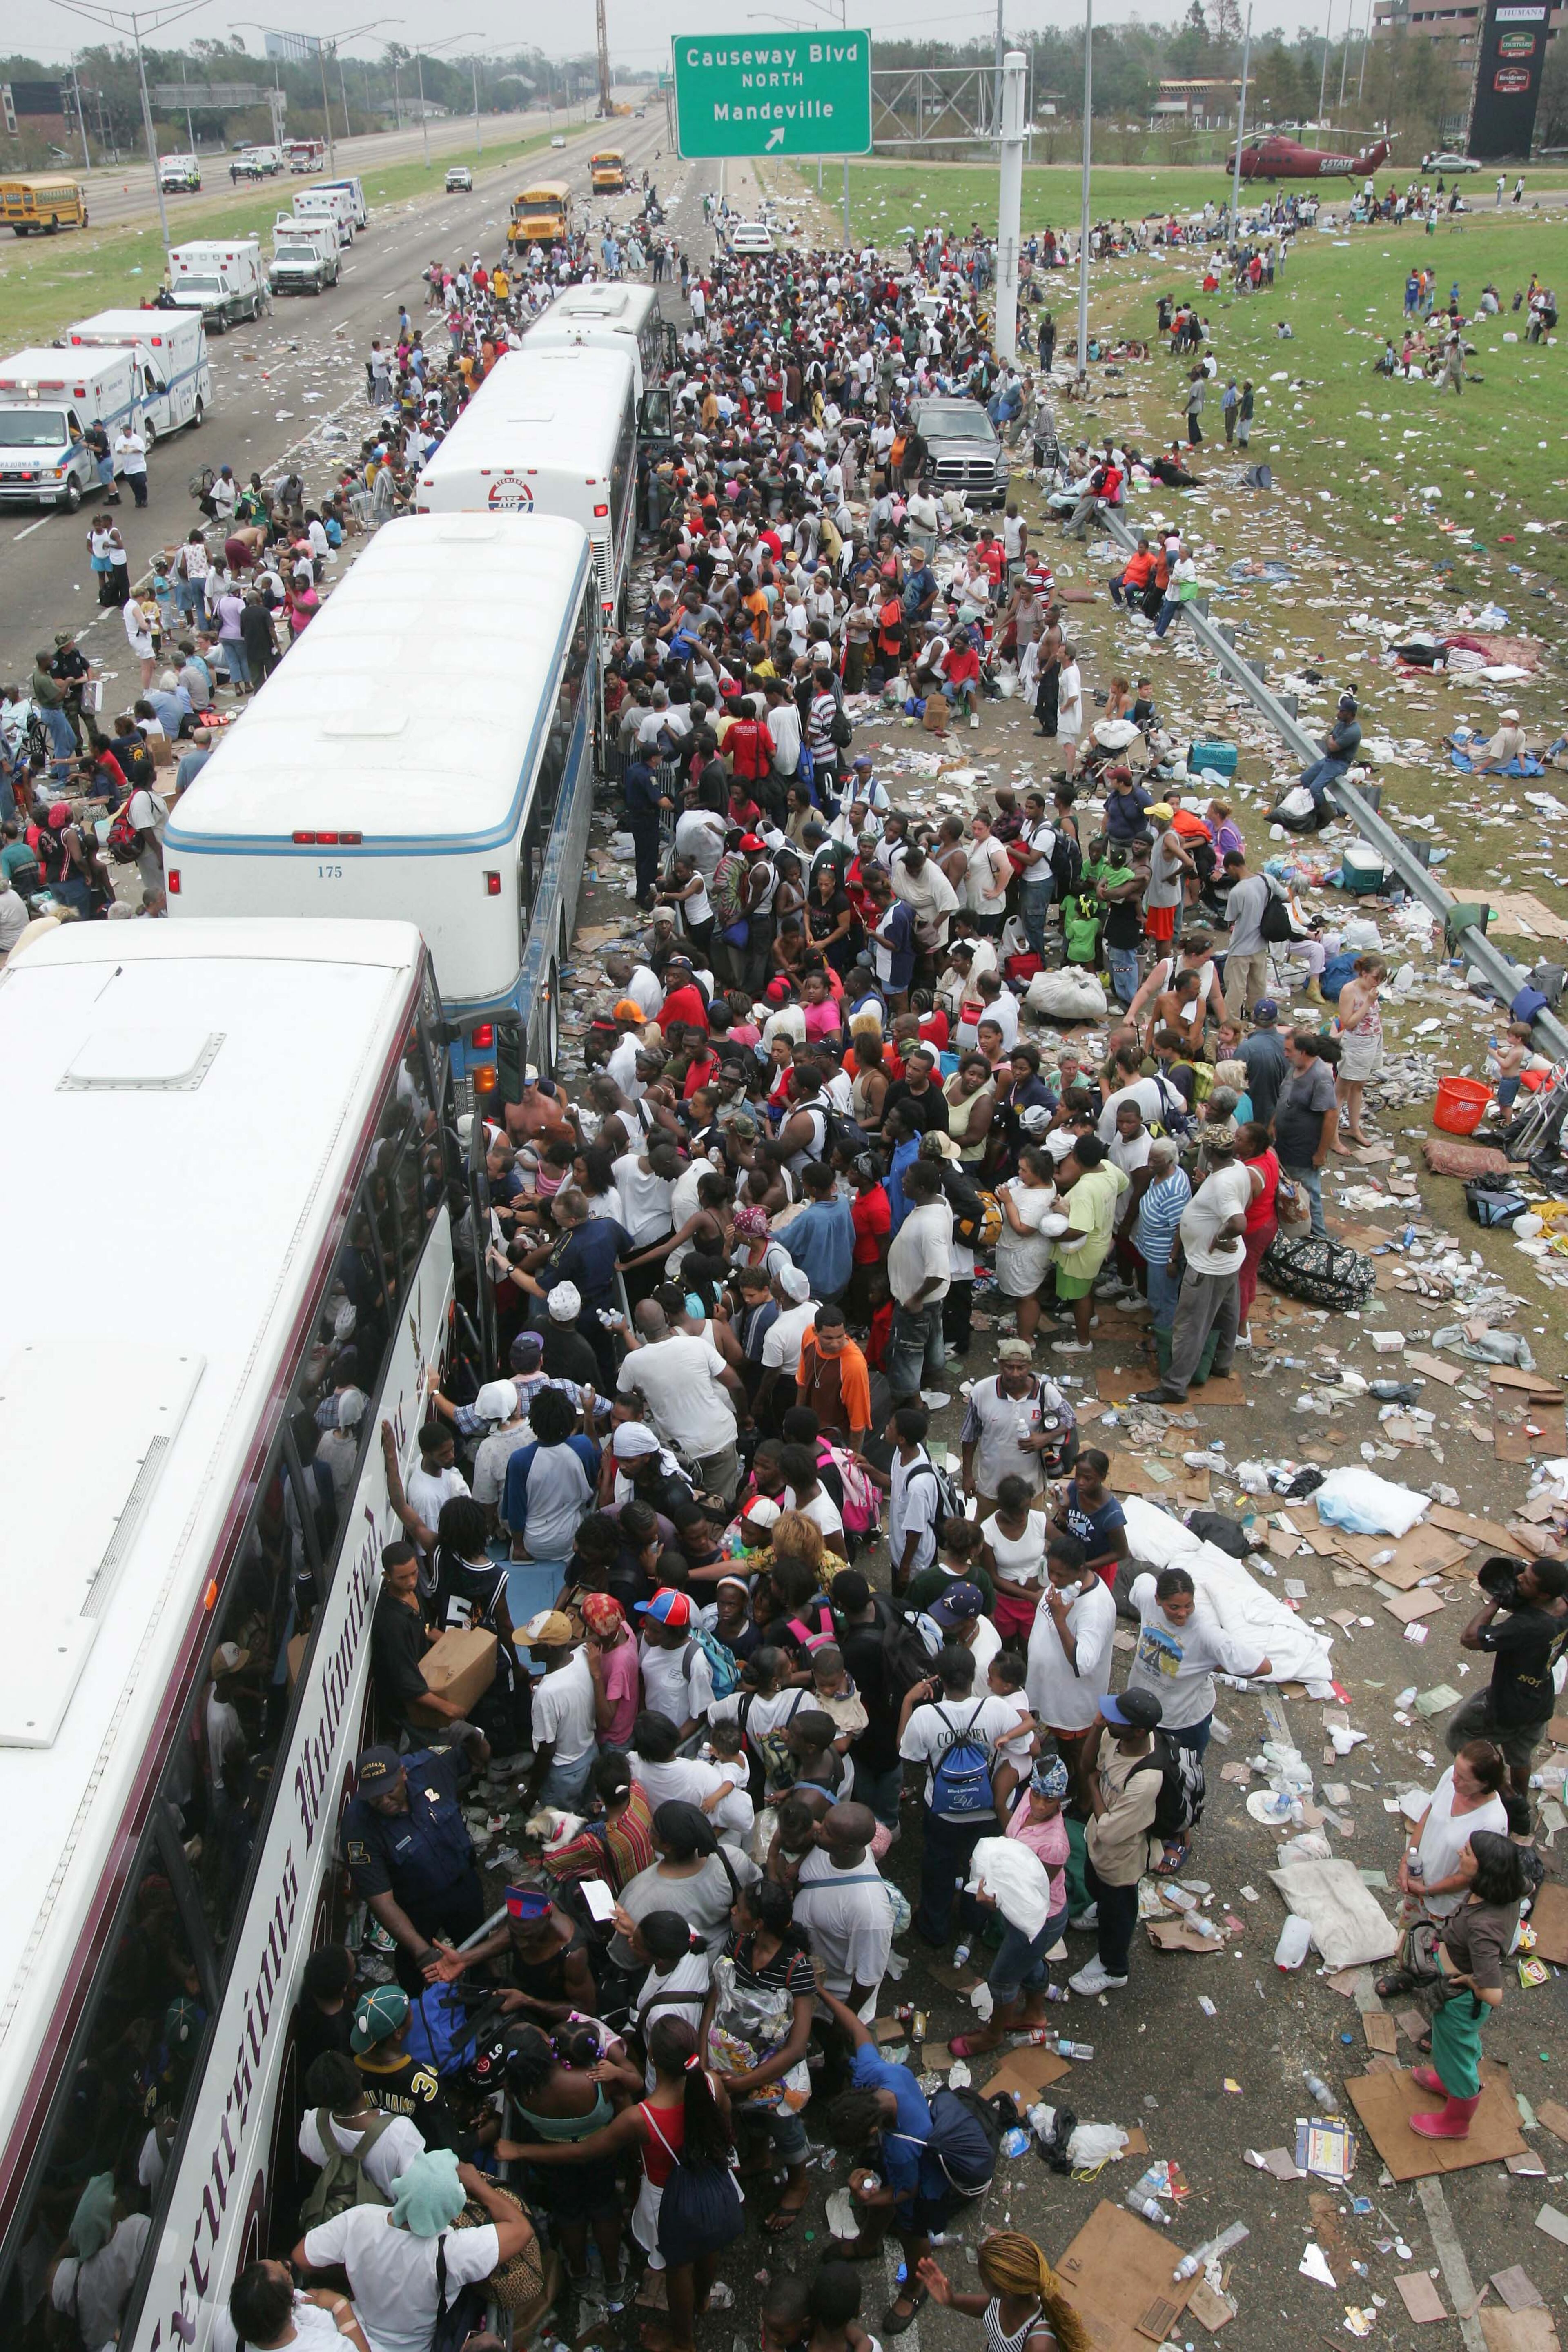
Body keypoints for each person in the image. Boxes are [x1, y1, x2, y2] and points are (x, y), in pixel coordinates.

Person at [504, 2014, 740, 2352]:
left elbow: (583, 2151)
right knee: (708, 2248)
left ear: (654, 2060)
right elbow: (725, 2120)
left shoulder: (641, 2118)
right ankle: (702, 2300)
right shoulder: (713, 2085)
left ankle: (684, 2343)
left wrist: (521, 2150)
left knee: (678, 2267)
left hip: (669, 2200)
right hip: (711, 2182)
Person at [293, 2147, 534, 2352]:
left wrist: (359, 2271)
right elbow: (522, 2230)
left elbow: (301, 2257)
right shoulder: (453, 2252)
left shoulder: (360, 2220)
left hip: (351, 2332)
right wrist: (476, 2184)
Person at [701, 1875, 818, 2230]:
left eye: (740, 1909)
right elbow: (716, 1999)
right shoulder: (737, 1945)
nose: (733, 1911)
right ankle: (759, 2157)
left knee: (783, 2123)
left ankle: (799, 2182)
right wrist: (705, 2057)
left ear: (760, 1922)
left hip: (774, 2069)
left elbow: (797, 2047)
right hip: (733, 2062)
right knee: (748, 2117)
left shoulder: (795, 1968)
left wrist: (745, 2082)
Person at [947, 1755, 1072, 2055]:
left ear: (1061, 1800)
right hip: (1025, 1916)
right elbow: (1010, 1844)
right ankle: (1034, 2014)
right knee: (1028, 1962)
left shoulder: (1055, 1845)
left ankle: (993, 2035)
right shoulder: (1028, 1798)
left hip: (1039, 1917)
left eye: (1050, 1800)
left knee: (1002, 1978)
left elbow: (1031, 1898)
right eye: (1038, 1795)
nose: (1040, 1805)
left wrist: (991, 1903)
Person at [341, 1737, 490, 1992]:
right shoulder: (358, 1827)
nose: (385, 1802)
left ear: (403, 1773)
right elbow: (382, 1901)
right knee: (415, 1971)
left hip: (463, 1884)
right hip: (415, 1906)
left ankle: (484, 1994)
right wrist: (423, 1953)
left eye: (390, 1791)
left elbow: (481, 1756)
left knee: (479, 1955)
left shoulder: (432, 1766)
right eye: (376, 1798)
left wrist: (473, 1737)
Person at [1406, 1831, 1526, 2140]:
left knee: (1453, 2053)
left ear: (1485, 1869)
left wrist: (1473, 1979)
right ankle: (1453, 2082)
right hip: (1461, 2000)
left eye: (1469, 1852)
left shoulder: (1483, 1929)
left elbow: (1494, 1994)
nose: (1461, 1852)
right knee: (1459, 2047)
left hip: (1460, 2001)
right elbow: (1530, 1884)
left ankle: (1457, 2120)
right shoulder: (1510, 1888)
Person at [899, 1643, 1021, 1946]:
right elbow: (1023, 1748)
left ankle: (934, 1927)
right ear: (973, 1676)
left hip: (942, 1810)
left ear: (940, 1678)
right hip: (986, 1808)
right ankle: (974, 1919)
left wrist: (907, 1702)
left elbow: (907, 1752)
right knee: (981, 1867)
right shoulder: (996, 1710)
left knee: (938, 1866)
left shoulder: (926, 1717)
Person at [1376, 1740, 1510, 1997]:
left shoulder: (1493, 1821)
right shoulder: (1452, 1776)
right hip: (1419, 1883)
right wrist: (1408, 1858)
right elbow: (1428, 1815)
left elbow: (1470, 1876)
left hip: (1446, 1903)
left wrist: (1429, 1890)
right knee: (1412, 1937)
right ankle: (1409, 1977)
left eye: (1463, 1778)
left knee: (1438, 1956)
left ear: (1484, 1784)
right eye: (1455, 1771)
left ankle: (1437, 2000)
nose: (1454, 1780)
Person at [1135, 1127, 1258, 1403]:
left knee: (1190, 1327)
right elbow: (1246, 1201)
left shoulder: (1222, 1183)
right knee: (1227, 1316)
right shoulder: (1237, 1168)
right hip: (1228, 1261)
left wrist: (1220, 1236)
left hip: (1207, 1267)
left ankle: (1174, 1386)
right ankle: (1221, 1364)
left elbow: (1239, 1222)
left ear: (1210, 1152)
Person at [1068, 1688, 1165, 1998]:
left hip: (1122, 1857)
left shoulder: (1147, 1779)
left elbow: (1110, 1831)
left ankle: (1114, 1968)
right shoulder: (1116, 1736)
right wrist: (1096, 1729)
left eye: (1116, 1719)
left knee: (1119, 1914)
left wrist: (1095, 1786)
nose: (1109, 1718)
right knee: (1095, 1885)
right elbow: (1086, 1766)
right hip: (1099, 1841)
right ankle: (1101, 1912)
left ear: (1139, 1731)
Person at [1447, 1557, 1568, 1800]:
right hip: (1540, 1700)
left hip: (1508, 1704)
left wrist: (1497, 1600)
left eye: (1527, 1580)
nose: (1519, 1578)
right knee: (1520, 1755)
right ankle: (1520, 1809)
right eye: (1525, 1571)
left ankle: (1499, 1788)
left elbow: (1470, 1638)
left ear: (1543, 1595)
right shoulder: (1562, 1605)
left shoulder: (1527, 1626)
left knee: (1458, 1734)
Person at [1125, 1566, 1270, 1764]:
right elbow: (1143, 1578)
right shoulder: (1147, 1597)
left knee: (1180, 1776)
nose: (1183, 1614)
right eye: (1174, 1607)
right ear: (1158, 1600)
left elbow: (1263, 1666)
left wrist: (1210, 1665)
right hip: (1141, 1710)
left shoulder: (1207, 1633)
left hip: (1181, 1723)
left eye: (1189, 1606)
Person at [916, 2230, 1090, 2352]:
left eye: (982, 2278)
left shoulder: (1040, 2345)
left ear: (1005, 2291)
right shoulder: (1009, 2299)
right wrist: (951, 2300)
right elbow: (989, 2309)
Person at [961, 1341, 1077, 1519]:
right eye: (1009, 1367)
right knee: (986, 1536)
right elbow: (969, 1436)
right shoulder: (982, 1391)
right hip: (991, 1485)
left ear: (1030, 1366)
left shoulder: (1045, 1392)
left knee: (1031, 1534)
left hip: (1030, 1487)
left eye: (1021, 1368)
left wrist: (1045, 1438)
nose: (1015, 1374)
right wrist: (967, 1475)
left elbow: (1070, 1418)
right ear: (1000, 1365)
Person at [1273, 1030, 1339, 1239]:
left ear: (1303, 1052)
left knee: (1309, 1195)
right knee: (1287, 1193)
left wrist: (1321, 1153)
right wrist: (1271, 1127)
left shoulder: (1320, 1077)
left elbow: (1331, 1117)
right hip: (1283, 1145)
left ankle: (1321, 1240)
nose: (1285, 1054)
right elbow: (1284, 1100)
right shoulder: (1294, 1068)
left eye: (1289, 1050)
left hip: (1303, 1151)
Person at [1334, 955, 1385, 1147]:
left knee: (1359, 1087)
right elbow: (1348, 1023)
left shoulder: (1372, 990)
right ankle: (1332, 1137)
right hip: (1356, 1044)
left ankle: (1354, 1129)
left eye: (1380, 980)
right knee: (1342, 1090)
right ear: (1364, 974)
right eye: (1374, 978)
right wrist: (1368, 1003)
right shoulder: (1349, 991)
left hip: (1373, 1042)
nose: (1376, 983)